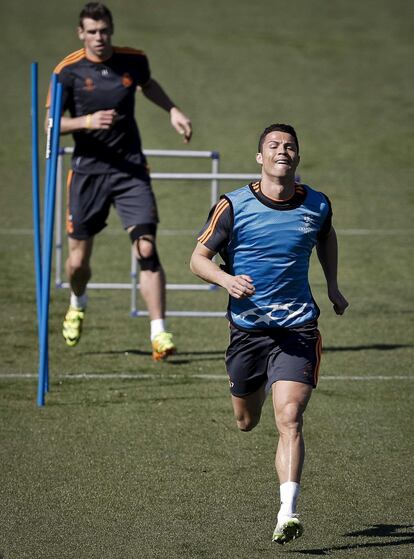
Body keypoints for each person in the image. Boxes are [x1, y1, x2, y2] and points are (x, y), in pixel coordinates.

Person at [190, 123, 348, 544]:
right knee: (246, 420)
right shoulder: (233, 206)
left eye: (290, 146)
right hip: (247, 332)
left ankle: (287, 511)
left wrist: (332, 284)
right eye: (274, 146)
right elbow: (198, 259)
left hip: (297, 329)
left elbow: (326, 237)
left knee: (290, 418)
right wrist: (226, 280)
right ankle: (255, 388)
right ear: (260, 158)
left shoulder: (317, 204)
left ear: (297, 157)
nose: (283, 150)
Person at [46, 2, 192, 360]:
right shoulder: (67, 71)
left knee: (145, 248)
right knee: (78, 263)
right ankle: (78, 301)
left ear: (111, 30)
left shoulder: (133, 60)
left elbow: (147, 84)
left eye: (104, 31)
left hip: (130, 171)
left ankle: (159, 333)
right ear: (81, 33)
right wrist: (86, 122)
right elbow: (50, 125)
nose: (99, 37)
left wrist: (172, 109)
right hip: (87, 172)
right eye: (92, 32)